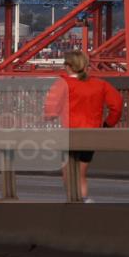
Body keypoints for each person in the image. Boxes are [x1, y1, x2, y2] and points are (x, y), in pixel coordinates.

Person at [44, 50, 123, 203]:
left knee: (68, 172)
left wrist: (49, 117)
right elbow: (117, 105)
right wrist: (108, 123)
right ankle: (84, 200)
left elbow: (51, 110)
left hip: (69, 134)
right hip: (91, 134)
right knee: (81, 174)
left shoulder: (62, 84)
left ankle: (73, 203)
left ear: (68, 66)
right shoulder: (100, 84)